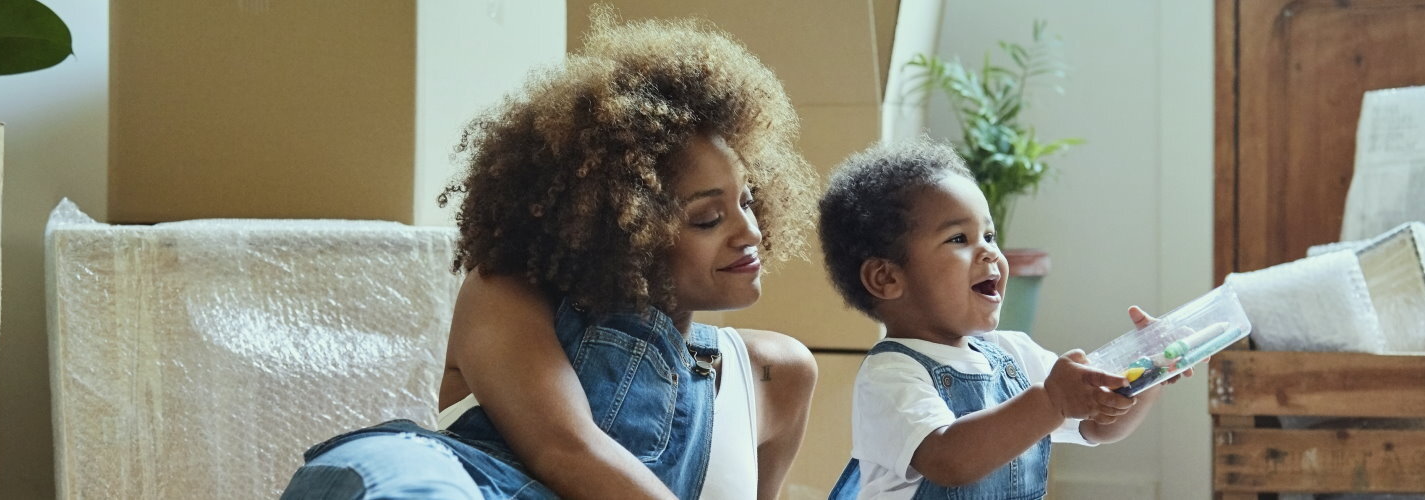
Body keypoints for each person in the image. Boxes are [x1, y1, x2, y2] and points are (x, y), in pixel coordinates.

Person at [280, 9, 820, 500]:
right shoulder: (507, 296)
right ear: (621, 227)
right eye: (707, 218)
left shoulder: (778, 373)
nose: (749, 231)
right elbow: (566, 451)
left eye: (747, 202)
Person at [816, 140, 1189, 499]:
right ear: (888, 278)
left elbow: (1097, 425)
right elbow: (949, 459)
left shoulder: (1013, 353)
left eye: (990, 236)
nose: (989, 253)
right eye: (959, 238)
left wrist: (1147, 374)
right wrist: (1051, 400)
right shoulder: (890, 376)